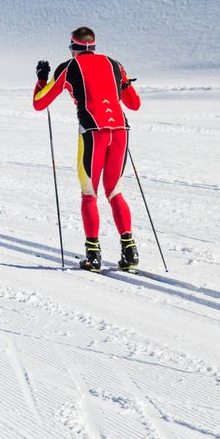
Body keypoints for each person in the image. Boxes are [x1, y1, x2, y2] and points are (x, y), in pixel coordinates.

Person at [33, 26, 142, 271]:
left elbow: (40, 104)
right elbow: (134, 104)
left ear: (73, 48)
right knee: (114, 191)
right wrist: (121, 86)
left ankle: (93, 256)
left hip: (92, 132)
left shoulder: (68, 68)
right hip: (121, 131)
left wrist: (41, 79)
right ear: (93, 46)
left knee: (89, 192)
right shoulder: (115, 65)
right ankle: (130, 250)